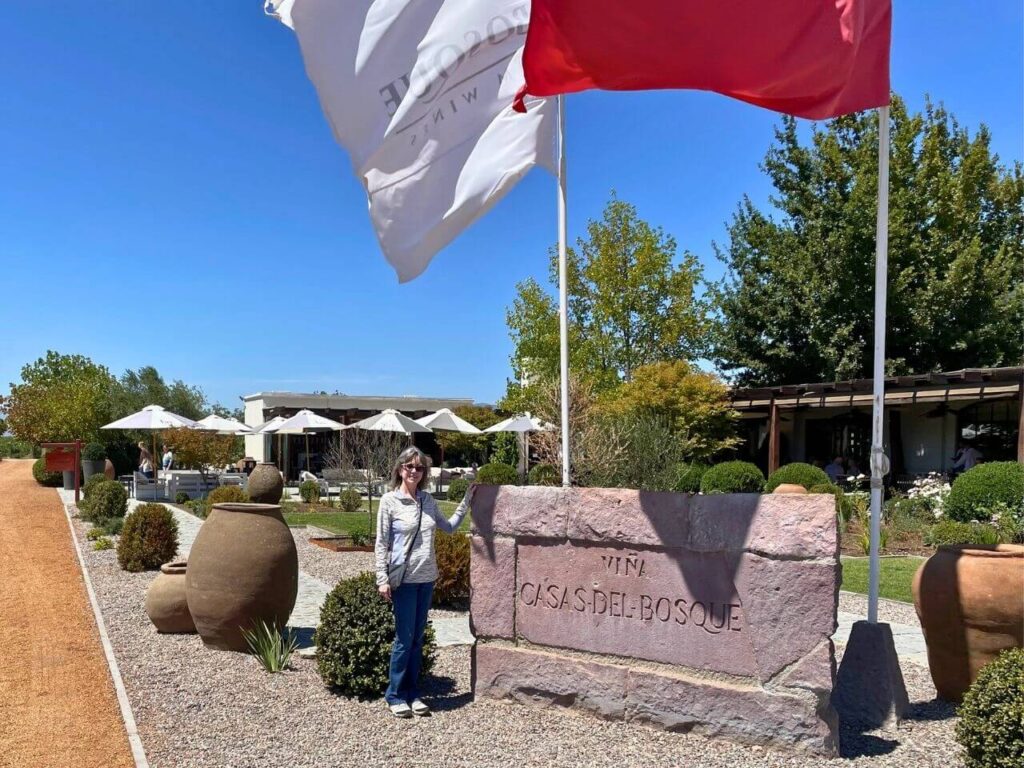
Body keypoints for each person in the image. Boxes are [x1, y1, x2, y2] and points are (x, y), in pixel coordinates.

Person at [375, 446, 475, 718]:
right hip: (404, 581)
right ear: (400, 469)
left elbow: (450, 527)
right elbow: (382, 543)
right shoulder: (389, 502)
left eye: (419, 468)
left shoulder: (428, 501)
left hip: (426, 579)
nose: (414, 472)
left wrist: (467, 499)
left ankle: (413, 693)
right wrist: (381, 579)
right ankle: (394, 694)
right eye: (409, 466)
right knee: (404, 640)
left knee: (418, 640)